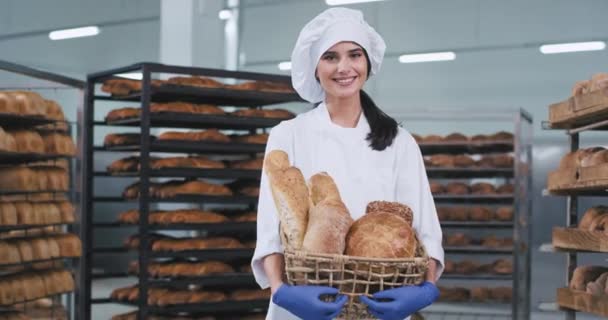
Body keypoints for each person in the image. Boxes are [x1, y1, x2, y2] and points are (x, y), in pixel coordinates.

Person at [251, 7, 444, 320]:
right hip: (302, 308)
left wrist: (426, 287)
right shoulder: (288, 135)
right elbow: (271, 229)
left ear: (368, 62)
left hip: (379, 305)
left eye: (354, 55)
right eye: (330, 57)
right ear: (315, 68)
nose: (344, 67)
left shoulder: (399, 142)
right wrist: (280, 290)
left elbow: (425, 231)